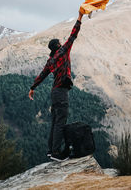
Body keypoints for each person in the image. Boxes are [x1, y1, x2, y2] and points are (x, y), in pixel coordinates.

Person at [28, 11, 83, 161]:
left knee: (54, 122)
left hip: (54, 93)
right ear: (58, 45)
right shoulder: (63, 52)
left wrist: (33, 88)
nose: (61, 43)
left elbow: (42, 75)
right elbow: (73, 35)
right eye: (59, 42)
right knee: (60, 122)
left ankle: (50, 150)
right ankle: (56, 153)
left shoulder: (50, 61)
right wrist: (79, 18)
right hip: (61, 92)